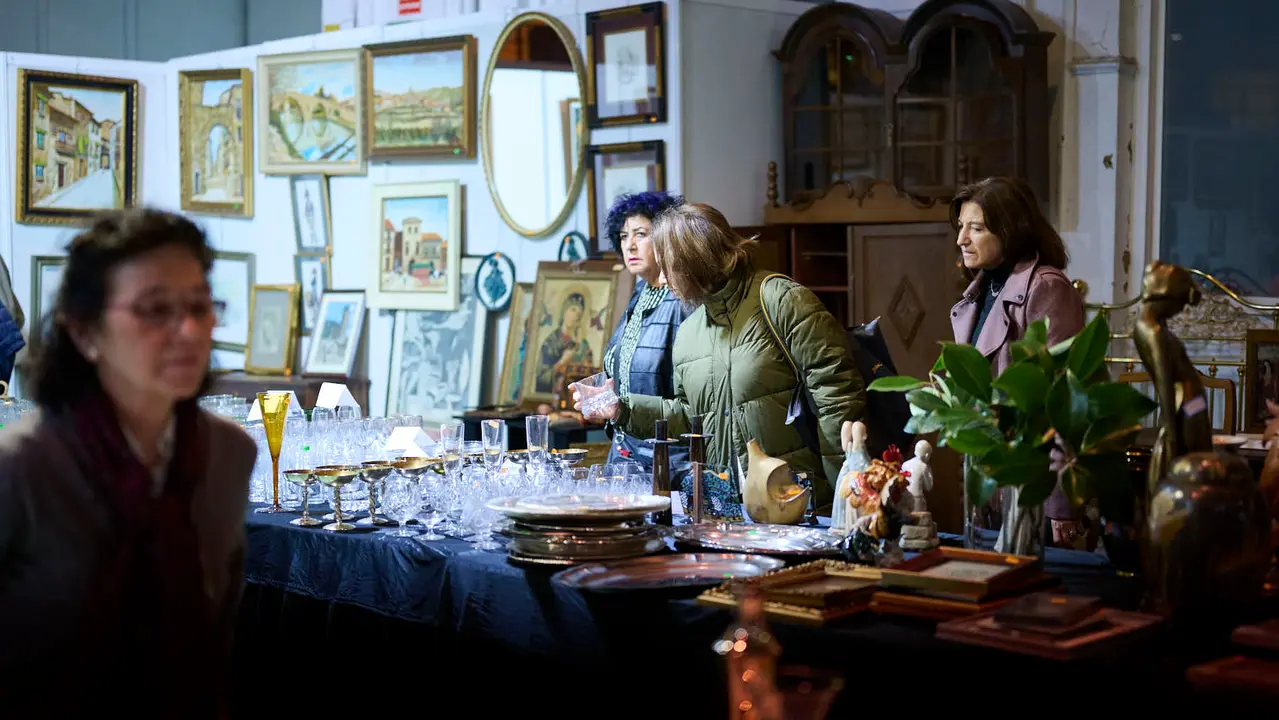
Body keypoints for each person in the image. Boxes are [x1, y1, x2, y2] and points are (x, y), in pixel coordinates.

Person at [0, 208, 257, 716]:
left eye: (200, 306)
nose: (187, 331)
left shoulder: (227, 453)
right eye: (154, 310)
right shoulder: (24, 467)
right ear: (85, 333)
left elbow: (216, 635)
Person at [576, 202, 865, 509]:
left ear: (692, 260)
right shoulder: (690, 331)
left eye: (667, 266)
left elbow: (837, 400)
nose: (662, 277)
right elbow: (692, 417)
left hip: (795, 503)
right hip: (726, 510)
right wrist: (622, 409)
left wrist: (847, 500)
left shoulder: (781, 299)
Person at [948, 176, 1086, 549]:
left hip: (1033, 487)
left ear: (1009, 230)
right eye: (961, 227)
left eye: (975, 228)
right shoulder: (983, 289)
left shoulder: (1046, 288)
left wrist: (1062, 503)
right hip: (991, 480)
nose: (962, 239)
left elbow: (1065, 403)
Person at [600, 191, 691, 469]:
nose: (630, 246)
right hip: (624, 453)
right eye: (624, 236)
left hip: (668, 461)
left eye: (641, 234)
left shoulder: (683, 300)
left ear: (666, 238)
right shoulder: (640, 293)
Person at [535, 291, 594, 393]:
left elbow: (591, 378)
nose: (576, 315)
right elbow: (541, 379)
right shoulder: (550, 342)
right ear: (564, 311)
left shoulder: (583, 345)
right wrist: (562, 362)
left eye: (579, 313)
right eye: (573, 310)